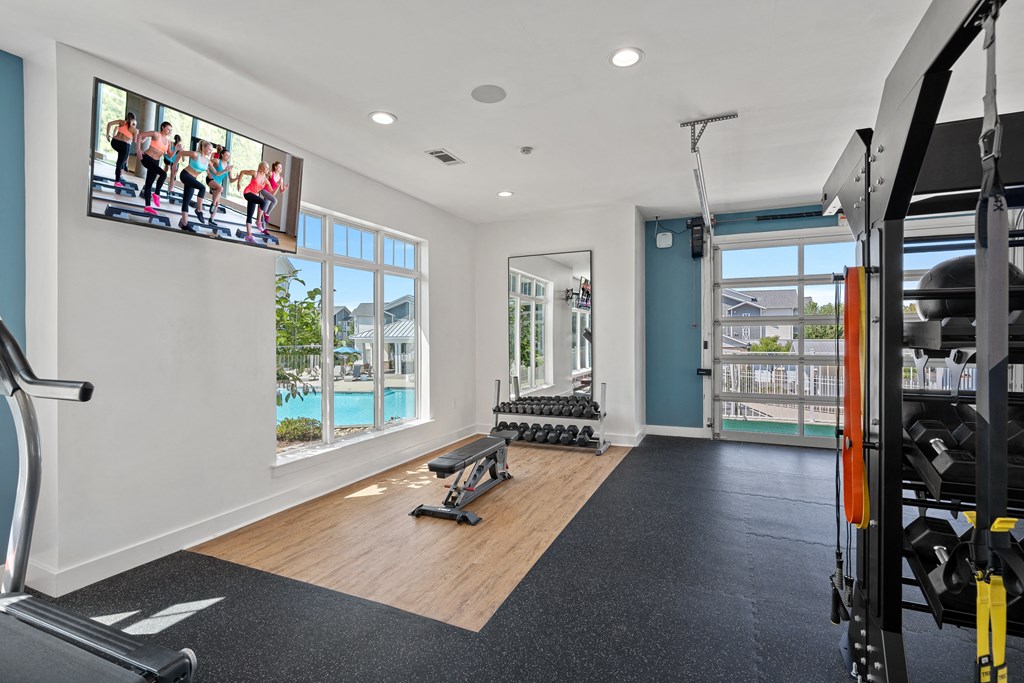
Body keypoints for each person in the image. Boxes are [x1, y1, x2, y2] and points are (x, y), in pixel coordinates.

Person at [174, 140, 214, 231]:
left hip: (192, 179)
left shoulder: (207, 161)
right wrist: (174, 165)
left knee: (186, 201)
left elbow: (216, 172)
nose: (210, 152)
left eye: (211, 150)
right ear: (203, 148)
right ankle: (199, 210)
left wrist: (225, 170)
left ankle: (185, 224)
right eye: (209, 149)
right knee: (202, 188)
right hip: (185, 175)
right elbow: (181, 153)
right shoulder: (196, 154)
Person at [135, 121, 173, 215]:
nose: (169, 131)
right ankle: (156, 194)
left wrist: (176, 149)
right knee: (163, 174)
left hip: (156, 162)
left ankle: (147, 207)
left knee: (148, 184)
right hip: (147, 158)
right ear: (163, 127)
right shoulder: (156, 134)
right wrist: (138, 150)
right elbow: (140, 135)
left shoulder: (168, 142)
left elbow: (169, 155)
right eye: (168, 129)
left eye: (171, 130)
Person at [235, 161, 271, 243]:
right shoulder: (255, 173)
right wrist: (238, 183)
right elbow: (242, 172)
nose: (267, 170)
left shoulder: (265, 180)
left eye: (268, 168)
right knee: (263, 202)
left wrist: (279, 186)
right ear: (261, 167)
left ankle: (248, 235)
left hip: (253, 196)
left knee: (249, 216)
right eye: (266, 167)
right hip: (247, 193)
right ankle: (258, 222)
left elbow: (272, 192)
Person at [205, 148, 236, 228]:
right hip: (211, 179)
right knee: (221, 188)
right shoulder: (217, 161)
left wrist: (237, 178)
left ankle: (211, 219)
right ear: (222, 155)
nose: (228, 157)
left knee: (217, 203)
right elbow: (206, 164)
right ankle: (212, 204)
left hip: (217, 184)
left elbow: (231, 180)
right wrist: (208, 173)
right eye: (226, 155)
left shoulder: (228, 167)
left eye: (229, 156)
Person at [104, 112, 137, 187]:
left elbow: (109, 123)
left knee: (121, 159)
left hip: (114, 143)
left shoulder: (121, 122)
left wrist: (107, 135)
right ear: (133, 120)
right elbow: (135, 141)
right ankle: (117, 181)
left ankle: (122, 171)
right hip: (124, 146)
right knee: (120, 162)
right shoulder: (134, 129)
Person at [257, 161, 290, 231]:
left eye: (281, 168)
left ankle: (263, 229)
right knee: (275, 200)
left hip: (270, 194)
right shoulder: (271, 173)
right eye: (279, 167)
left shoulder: (281, 178)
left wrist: (284, 189)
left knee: (264, 209)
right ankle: (267, 214)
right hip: (264, 190)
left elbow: (281, 191)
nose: (281, 169)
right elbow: (263, 178)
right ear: (275, 167)